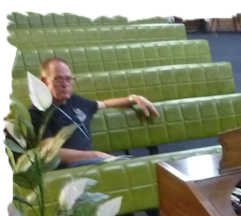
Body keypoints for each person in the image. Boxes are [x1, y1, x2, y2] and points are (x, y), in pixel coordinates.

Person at [29, 57, 160, 168]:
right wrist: (95, 155)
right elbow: (49, 152)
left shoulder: (75, 100)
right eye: (58, 79)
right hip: (68, 169)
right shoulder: (37, 111)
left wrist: (133, 98)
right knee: (133, 166)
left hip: (91, 163)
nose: (65, 84)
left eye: (68, 79)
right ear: (44, 81)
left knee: (143, 165)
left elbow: (105, 103)